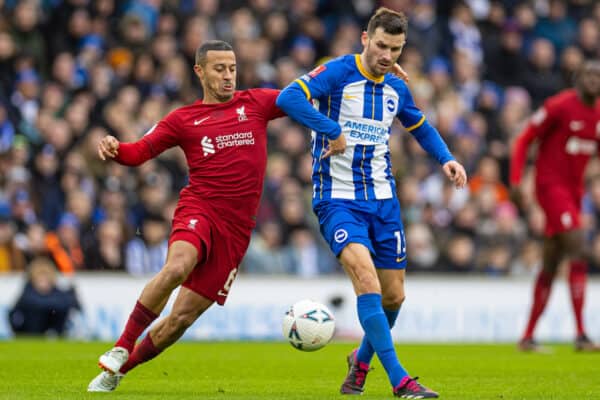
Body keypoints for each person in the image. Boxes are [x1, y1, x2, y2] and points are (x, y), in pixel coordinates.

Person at [276, 7, 467, 399]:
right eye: (381, 45)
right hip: (337, 199)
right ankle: (401, 380)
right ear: (365, 39)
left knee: (394, 296)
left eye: (395, 49)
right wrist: (331, 129)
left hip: (383, 200)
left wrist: (446, 158)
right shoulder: (337, 73)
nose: (387, 55)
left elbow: (420, 125)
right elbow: (288, 97)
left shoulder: (396, 86)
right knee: (366, 281)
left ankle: (359, 363)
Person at [87, 40, 287, 392]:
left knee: (179, 320)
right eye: (219, 69)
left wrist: (356, 69)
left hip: (236, 231)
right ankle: (121, 345)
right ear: (200, 71)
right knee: (178, 266)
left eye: (232, 68)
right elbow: (139, 152)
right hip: (200, 208)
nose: (228, 76)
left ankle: (118, 371)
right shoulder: (184, 119)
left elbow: (304, 91)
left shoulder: (256, 103)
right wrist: (117, 150)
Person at [510, 60, 600, 352]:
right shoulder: (559, 106)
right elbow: (525, 139)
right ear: (578, 78)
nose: (594, 80)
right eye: (590, 74)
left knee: (551, 262)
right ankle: (582, 334)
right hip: (550, 188)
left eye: (599, 76)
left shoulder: (598, 113)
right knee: (579, 247)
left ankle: (527, 336)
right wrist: (515, 180)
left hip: (574, 194)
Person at [9, 257, 80, 336]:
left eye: (45, 279)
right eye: (40, 279)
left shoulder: (57, 292)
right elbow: (32, 302)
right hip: (30, 329)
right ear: (33, 279)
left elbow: (68, 304)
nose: (43, 283)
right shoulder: (28, 291)